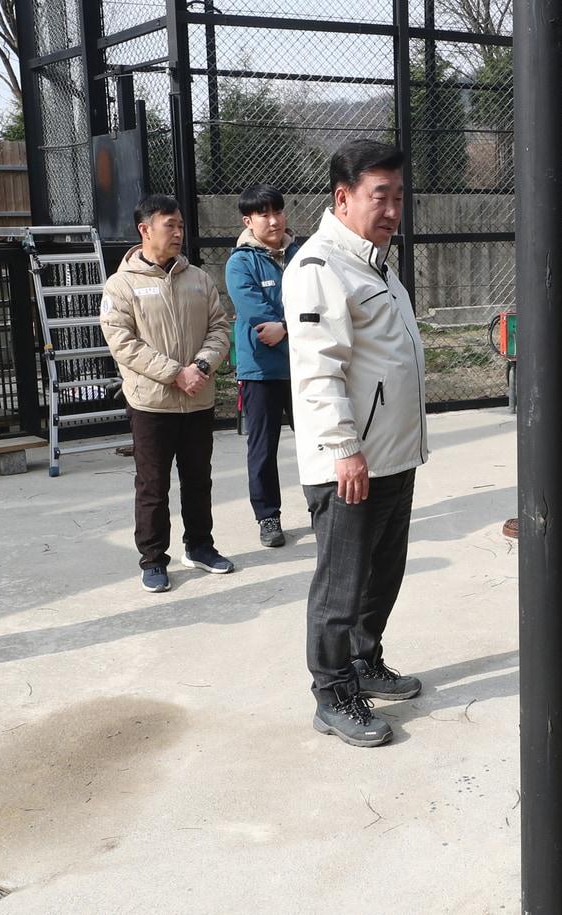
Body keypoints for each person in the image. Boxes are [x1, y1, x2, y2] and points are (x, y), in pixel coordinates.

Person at [285, 139, 429, 747]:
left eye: (399, 197)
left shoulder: (376, 264)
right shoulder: (321, 268)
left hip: (392, 456)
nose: (393, 209)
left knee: (382, 575)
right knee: (341, 583)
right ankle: (332, 689)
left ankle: (366, 660)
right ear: (342, 199)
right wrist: (344, 448)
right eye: (380, 196)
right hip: (351, 462)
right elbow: (319, 370)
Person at [100, 194, 235, 593]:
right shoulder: (121, 284)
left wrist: (202, 368)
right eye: (169, 225)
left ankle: (200, 546)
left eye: (180, 225)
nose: (178, 233)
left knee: (199, 479)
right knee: (153, 486)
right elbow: (122, 342)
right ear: (145, 230)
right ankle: (153, 559)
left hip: (198, 398)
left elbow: (220, 328)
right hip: (151, 403)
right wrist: (175, 373)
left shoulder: (198, 279)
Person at [226, 184, 301, 547]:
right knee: (263, 448)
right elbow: (258, 318)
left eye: (278, 211)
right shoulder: (240, 262)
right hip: (261, 372)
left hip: (305, 366)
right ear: (248, 220)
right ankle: (268, 516)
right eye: (263, 214)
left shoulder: (304, 253)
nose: (273, 220)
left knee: (319, 441)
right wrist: (299, 327)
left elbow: (322, 304)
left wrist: (287, 327)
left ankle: (325, 509)